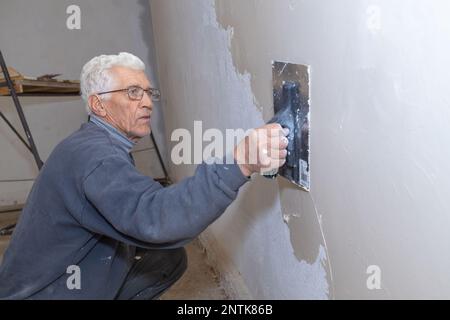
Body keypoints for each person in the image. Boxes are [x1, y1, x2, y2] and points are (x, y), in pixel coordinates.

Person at [0, 52, 288, 299]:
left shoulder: (96, 143)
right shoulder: (95, 158)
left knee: (166, 257)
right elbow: (156, 218)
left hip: (53, 279)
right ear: (99, 105)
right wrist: (239, 163)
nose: (148, 103)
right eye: (133, 92)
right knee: (160, 240)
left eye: (149, 93)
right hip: (40, 292)